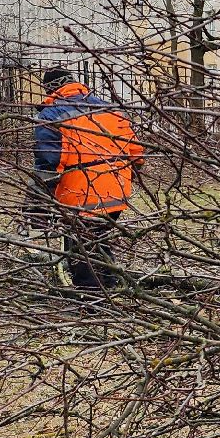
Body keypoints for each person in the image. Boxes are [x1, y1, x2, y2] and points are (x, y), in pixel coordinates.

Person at [32, 68, 144, 291]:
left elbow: (48, 163)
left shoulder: (52, 115)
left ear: (50, 88)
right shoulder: (109, 108)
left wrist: (37, 205)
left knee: (81, 247)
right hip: (117, 190)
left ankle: (91, 297)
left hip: (80, 192)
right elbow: (137, 154)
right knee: (98, 238)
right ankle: (110, 284)